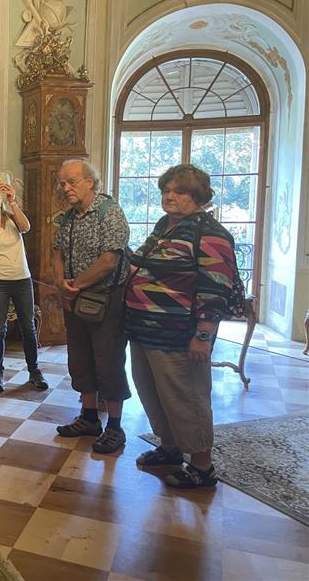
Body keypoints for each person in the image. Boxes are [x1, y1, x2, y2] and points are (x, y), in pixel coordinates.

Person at [125, 164, 238, 488]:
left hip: (178, 335)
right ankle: (169, 448)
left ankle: (202, 468)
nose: (170, 196)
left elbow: (216, 288)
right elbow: (143, 263)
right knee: (153, 394)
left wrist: (203, 336)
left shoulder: (210, 232)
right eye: (166, 190)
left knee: (186, 398)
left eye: (180, 191)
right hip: (144, 330)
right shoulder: (165, 225)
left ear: (198, 196)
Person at [52, 159, 131, 453]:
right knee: (80, 359)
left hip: (106, 301)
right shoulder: (67, 217)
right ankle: (88, 418)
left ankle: (114, 426)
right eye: (62, 183)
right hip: (74, 300)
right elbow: (57, 252)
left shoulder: (110, 214)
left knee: (108, 362)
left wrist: (76, 285)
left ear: (90, 182)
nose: (65, 188)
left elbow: (109, 261)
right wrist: (62, 283)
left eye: (71, 182)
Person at [0, 177, 46, 393]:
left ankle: (34, 370)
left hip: (21, 279)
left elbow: (26, 227)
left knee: (28, 326)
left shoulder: (13, 218)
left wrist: (12, 201)